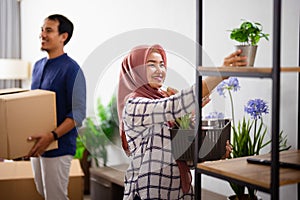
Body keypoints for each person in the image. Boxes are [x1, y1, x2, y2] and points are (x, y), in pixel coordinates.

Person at [117, 44, 246, 200]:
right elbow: (175, 104)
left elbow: (181, 154)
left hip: (178, 193)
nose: (159, 70)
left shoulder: (163, 103)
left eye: (162, 64)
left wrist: (213, 153)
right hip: (148, 193)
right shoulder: (134, 105)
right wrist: (218, 75)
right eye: (151, 64)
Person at [27, 14, 86, 200]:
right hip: (38, 144)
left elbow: (78, 113)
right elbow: (33, 105)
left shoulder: (72, 69)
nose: (42, 34)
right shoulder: (37, 66)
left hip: (58, 145)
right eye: (42, 29)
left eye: (49, 30)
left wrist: (51, 136)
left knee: (55, 196)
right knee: (43, 192)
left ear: (63, 37)